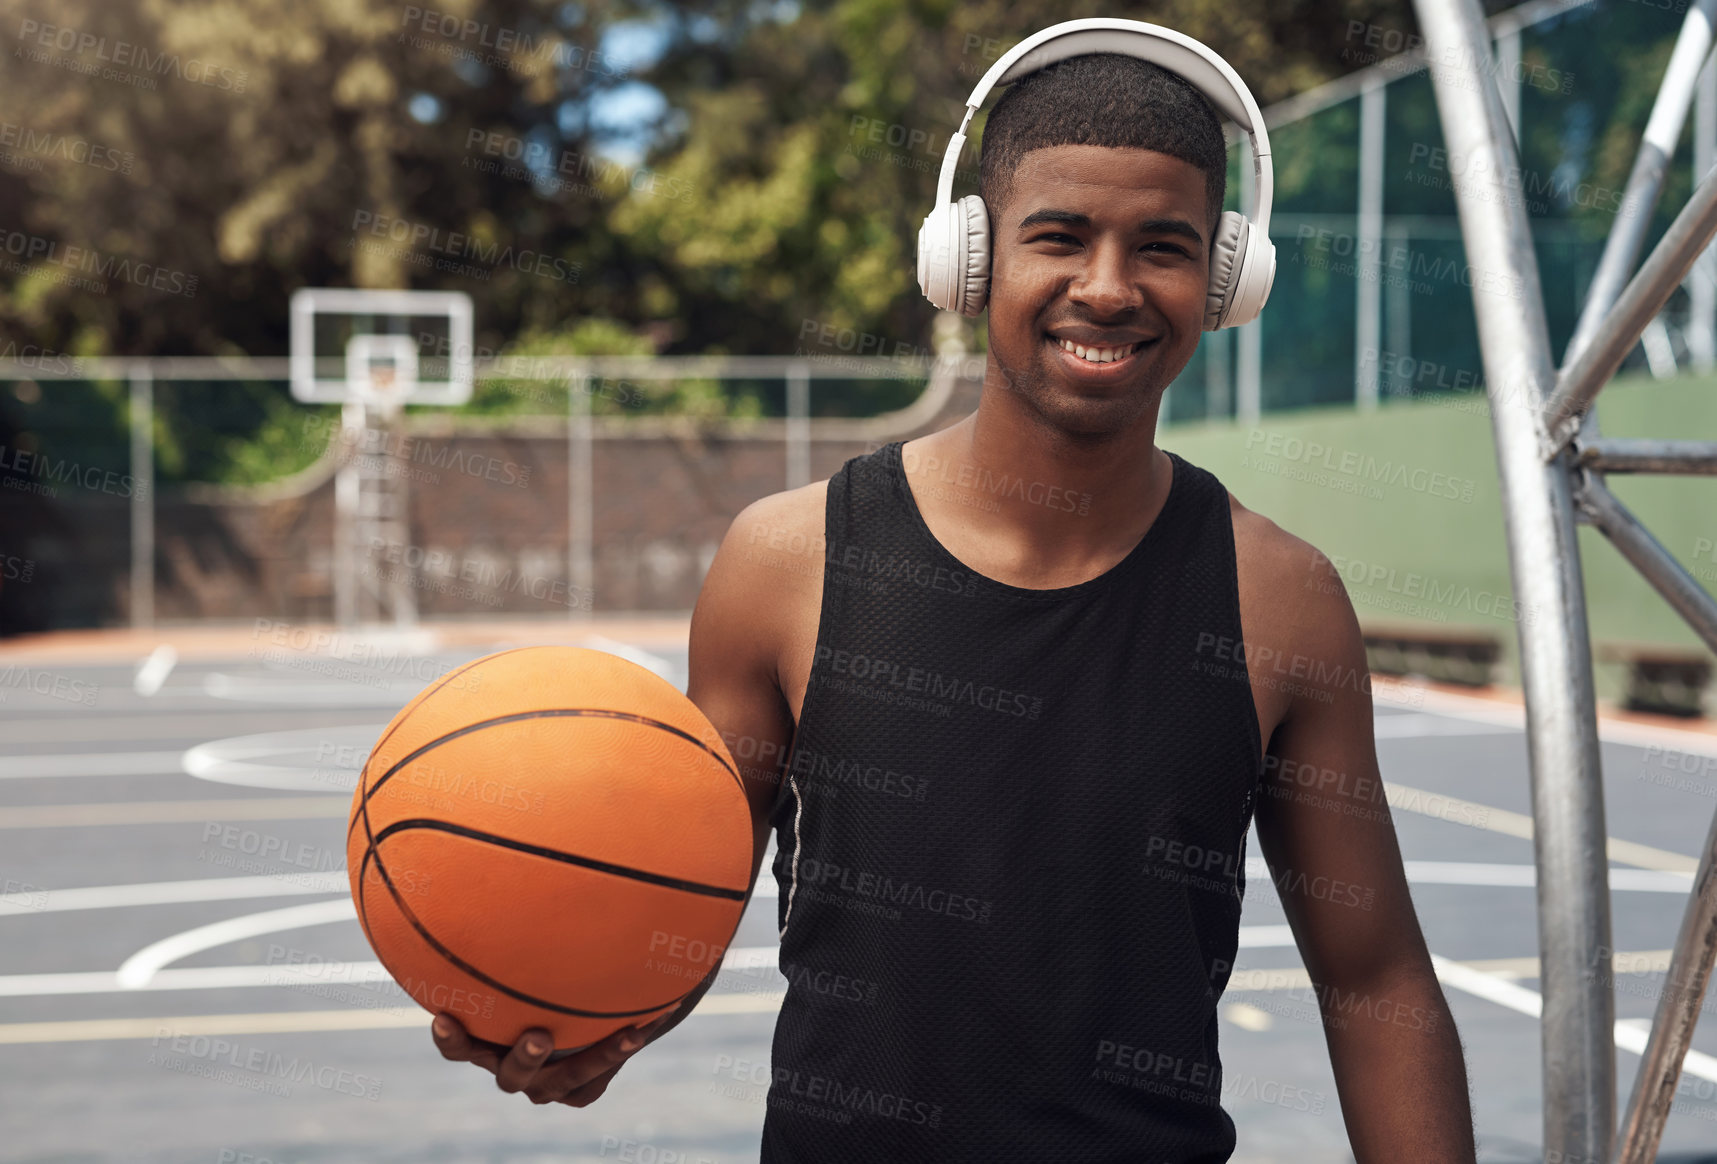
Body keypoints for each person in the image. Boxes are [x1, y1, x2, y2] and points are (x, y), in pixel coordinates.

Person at [433, 25, 1478, 1164]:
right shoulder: (787, 562)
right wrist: (597, 1031)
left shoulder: (1282, 599)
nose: (1109, 287)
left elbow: (1375, 979)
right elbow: (684, 904)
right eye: (1060, 238)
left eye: (1164, 247)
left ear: (1225, 280)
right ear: (970, 260)